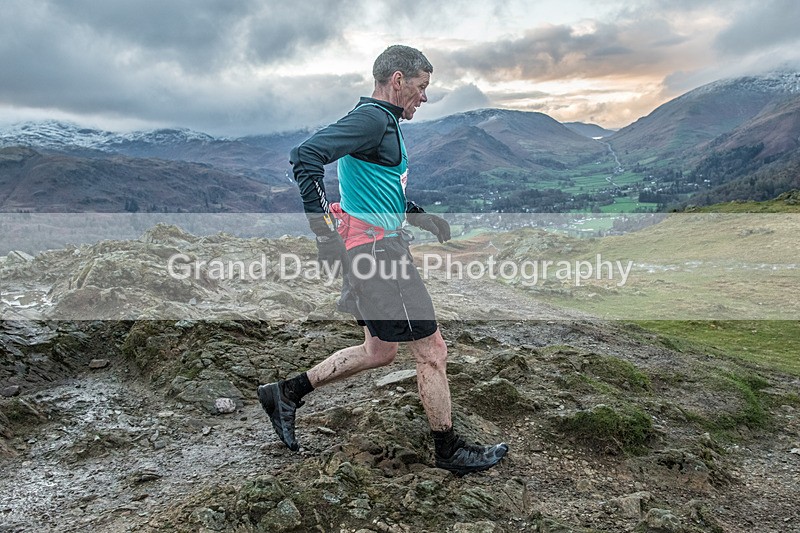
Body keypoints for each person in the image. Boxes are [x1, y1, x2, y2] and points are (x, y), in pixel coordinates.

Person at [258, 45, 508, 475]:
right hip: (377, 255)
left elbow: (374, 185)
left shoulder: (383, 120)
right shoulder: (373, 119)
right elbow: (305, 156)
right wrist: (324, 233)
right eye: (421, 86)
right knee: (432, 350)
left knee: (380, 350)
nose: (424, 97)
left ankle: (285, 393)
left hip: (376, 248)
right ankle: (448, 450)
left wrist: (417, 214)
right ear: (398, 80)